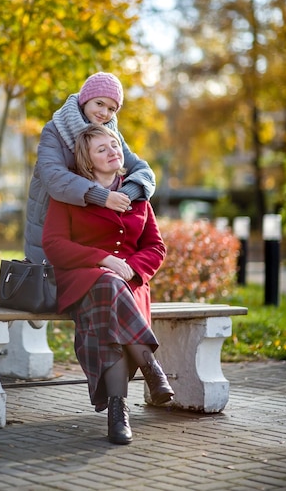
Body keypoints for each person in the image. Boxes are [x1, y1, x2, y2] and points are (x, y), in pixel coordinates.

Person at [42, 124, 174, 445]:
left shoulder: (137, 193)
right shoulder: (70, 194)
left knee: (111, 298)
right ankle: (151, 366)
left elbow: (156, 247)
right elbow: (53, 244)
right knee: (106, 284)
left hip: (129, 284)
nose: (113, 151)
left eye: (114, 145)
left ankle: (119, 412)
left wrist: (131, 269)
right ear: (87, 161)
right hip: (81, 278)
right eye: (102, 149)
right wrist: (102, 259)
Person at [25, 72, 156, 264]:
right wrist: (103, 197)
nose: (104, 113)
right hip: (52, 215)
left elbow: (143, 171)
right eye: (99, 103)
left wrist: (126, 194)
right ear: (85, 100)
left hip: (87, 222)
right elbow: (53, 177)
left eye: (112, 109)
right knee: (49, 282)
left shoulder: (111, 134)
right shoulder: (55, 129)